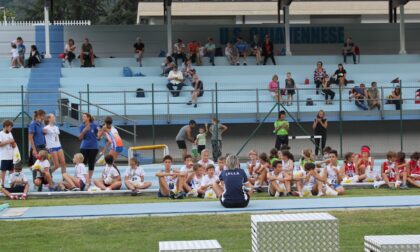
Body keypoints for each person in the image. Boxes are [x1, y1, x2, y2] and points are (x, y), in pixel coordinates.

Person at [79, 113, 99, 186]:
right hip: (84, 148)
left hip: (94, 148)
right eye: (82, 116)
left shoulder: (94, 125)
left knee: (91, 164)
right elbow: (80, 138)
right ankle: (83, 179)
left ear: (88, 118)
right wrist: (84, 130)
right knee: (82, 164)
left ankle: (89, 180)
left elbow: (99, 134)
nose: (83, 118)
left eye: (84, 116)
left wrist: (99, 134)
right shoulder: (82, 126)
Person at [0, 120, 16, 187]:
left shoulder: (10, 133)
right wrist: (9, 141)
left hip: (11, 156)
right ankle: (2, 185)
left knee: (12, 171)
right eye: (10, 127)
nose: (11, 129)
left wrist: (13, 143)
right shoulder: (1, 133)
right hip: (4, 156)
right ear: (6, 127)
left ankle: (12, 185)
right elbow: (0, 144)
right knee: (3, 171)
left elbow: (13, 144)